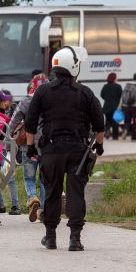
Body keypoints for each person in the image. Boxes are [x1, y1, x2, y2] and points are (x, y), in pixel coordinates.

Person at [25, 46, 105, 251]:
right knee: (75, 192)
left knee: (52, 191)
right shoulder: (85, 92)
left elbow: (31, 123)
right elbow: (99, 124)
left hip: (51, 150)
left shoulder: (42, 91)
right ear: (74, 66)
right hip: (78, 150)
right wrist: (99, 145)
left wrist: (30, 148)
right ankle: (75, 238)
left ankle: (50, 236)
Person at [9, 73, 49, 222]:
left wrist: (10, 137)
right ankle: (44, 210)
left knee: (29, 177)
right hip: (47, 146)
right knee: (45, 179)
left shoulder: (25, 101)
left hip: (29, 144)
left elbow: (14, 121)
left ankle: (32, 197)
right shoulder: (52, 100)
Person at [100, 73, 122, 140]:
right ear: (114, 78)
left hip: (106, 106)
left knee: (108, 121)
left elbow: (102, 94)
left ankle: (107, 132)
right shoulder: (118, 86)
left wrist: (107, 99)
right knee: (115, 121)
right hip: (115, 106)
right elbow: (120, 96)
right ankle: (115, 136)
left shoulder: (105, 86)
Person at [121, 73, 136, 142]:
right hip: (134, 106)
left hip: (126, 106)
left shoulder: (127, 85)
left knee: (127, 120)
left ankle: (125, 129)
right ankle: (134, 137)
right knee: (135, 122)